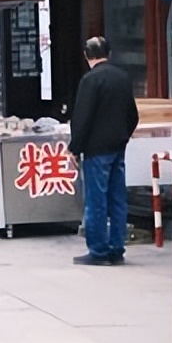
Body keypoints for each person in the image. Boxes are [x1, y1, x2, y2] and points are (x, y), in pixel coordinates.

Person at [68, 36, 139, 266]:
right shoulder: (123, 78)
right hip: (118, 147)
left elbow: (83, 118)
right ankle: (117, 249)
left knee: (96, 200)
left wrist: (74, 148)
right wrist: (123, 137)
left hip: (96, 150)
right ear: (109, 53)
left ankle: (98, 251)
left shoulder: (90, 80)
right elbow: (133, 115)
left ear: (86, 55)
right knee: (118, 198)